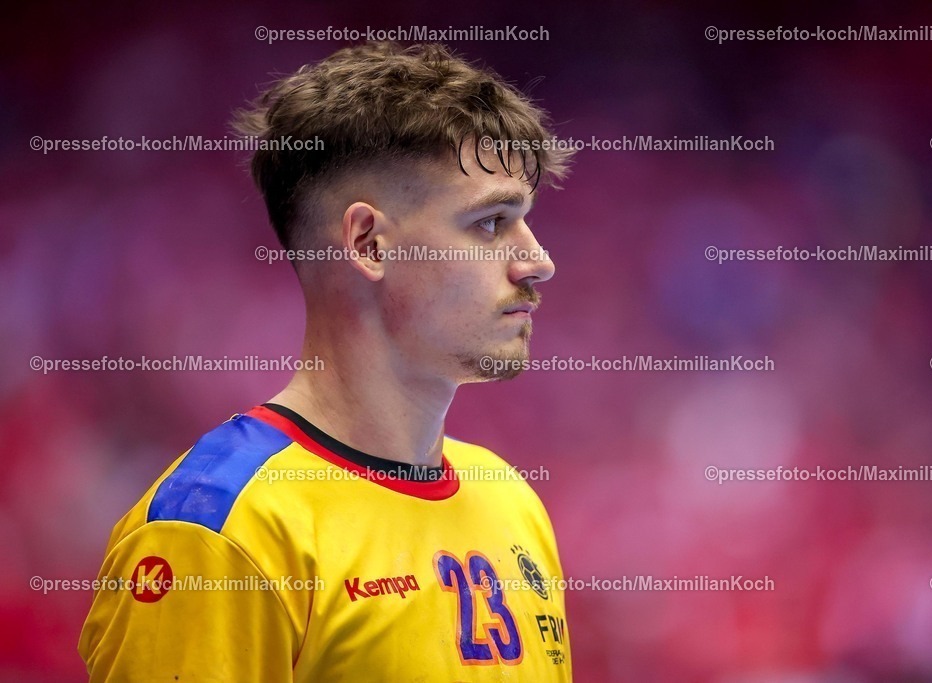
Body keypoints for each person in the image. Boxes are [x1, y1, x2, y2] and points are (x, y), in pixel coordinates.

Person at [78, 41, 574, 681]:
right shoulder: (218, 530)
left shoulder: (508, 499)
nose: (538, 261)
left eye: (524, 220)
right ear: (369, 243)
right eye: (491, 222)